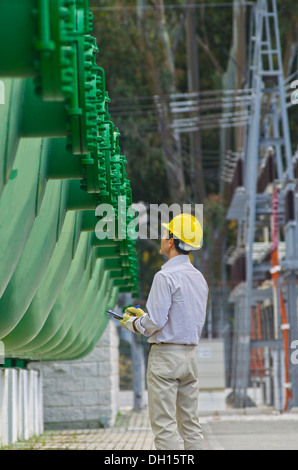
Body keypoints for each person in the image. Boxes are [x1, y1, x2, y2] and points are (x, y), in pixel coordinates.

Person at [120, 213, 209, 450]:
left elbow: (157, 322)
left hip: (165, 358)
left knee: (164, 426)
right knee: (190, 425)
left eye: (165, 233)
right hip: (190, 357)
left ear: (171, 241)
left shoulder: (164, 276)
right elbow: (182, 317)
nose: (162, 237)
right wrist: (146, 318)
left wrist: (134, 323)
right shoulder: (199, 278)